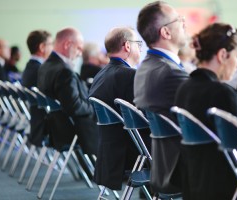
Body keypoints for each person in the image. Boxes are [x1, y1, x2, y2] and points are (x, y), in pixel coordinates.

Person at [175, 23, 237, 199]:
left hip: (195, 180)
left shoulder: (183, 89)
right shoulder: (222, 93)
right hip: (227, 182)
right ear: (223, 55)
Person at [134, 1, 189, 194]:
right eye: (179, 19)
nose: (184, 23)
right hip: (182, 168)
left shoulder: (146, 67)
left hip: (162, 166)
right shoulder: (170, 73)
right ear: (165, 32)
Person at [89, 26, 149, 190]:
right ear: (127, 46)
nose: (140, 49)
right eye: (138, 44)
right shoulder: (129, 76)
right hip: (132, 152)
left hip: (109, 152)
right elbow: (147, 116)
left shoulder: (100, 75)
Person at [38, 27, 97, 156]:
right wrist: (93, 108)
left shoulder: (45, 66)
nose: (80, 53)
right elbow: (74, 107)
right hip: (75, 130)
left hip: (56, 127)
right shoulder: (64, 71)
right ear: (67, 44)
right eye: (79, 48)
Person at [21, 30, 53, 146]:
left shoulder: (30, 67)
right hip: (45, 123)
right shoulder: (41, 70)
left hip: (36, 122)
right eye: (51, 44)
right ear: (42, 47)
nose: (53, 48)